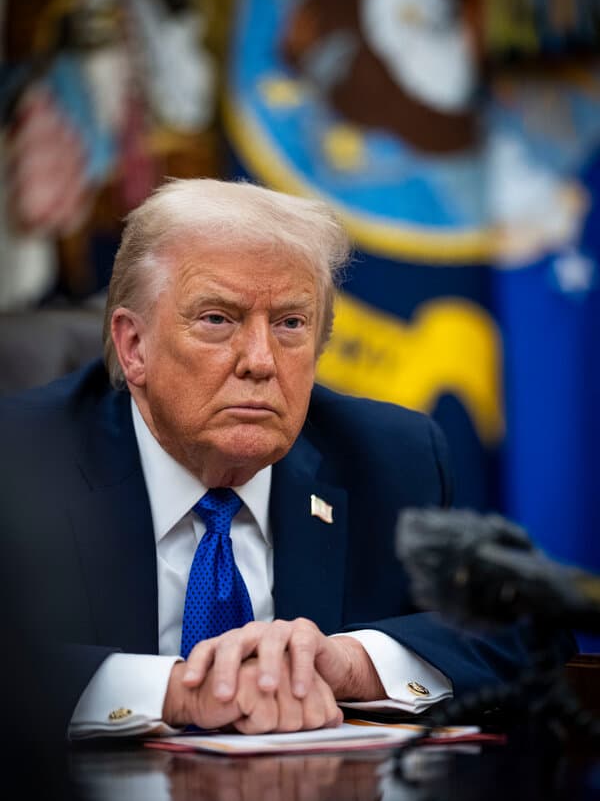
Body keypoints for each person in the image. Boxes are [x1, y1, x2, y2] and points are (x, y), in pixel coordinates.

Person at [0, 177, 572, 741]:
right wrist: (176, 690)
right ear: (134, 346)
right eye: (217, 319)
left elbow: (527, 628)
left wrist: (348, 662)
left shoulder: (391, 456)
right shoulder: (26, 460)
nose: (260, 360)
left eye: (290, 324)